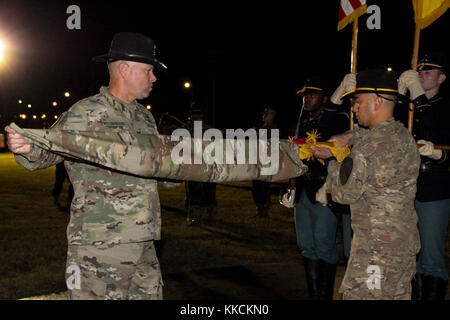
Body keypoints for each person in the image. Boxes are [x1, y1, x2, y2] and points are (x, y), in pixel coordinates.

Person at [5, 32, 309, 300]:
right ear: (124, 68)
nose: (154, 78)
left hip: (144, 240)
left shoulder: (143, 117)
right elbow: (45, 155)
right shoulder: (85, 113)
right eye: (149, 70)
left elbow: (158, 172)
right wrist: (26, 147)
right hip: (100, 246)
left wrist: (177, 171)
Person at [313, 69, 421, 300]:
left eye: (358, 101)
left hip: (376, 252)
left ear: (377, 102)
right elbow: (372, 139)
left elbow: (343, 193)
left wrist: (334, 159)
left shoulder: (368, 150)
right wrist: (350, 137)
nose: (353, 108)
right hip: (401, 246)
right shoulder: (402, 135)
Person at [281, 76, 350, 300]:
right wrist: (290, 186)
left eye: (312, 94)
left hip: (324, 188)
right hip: (303, 188)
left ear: (325, 98)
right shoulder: (303, 121)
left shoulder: (338, 120)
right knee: (306, 245)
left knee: (323, 243)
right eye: (304, 95)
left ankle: (324, 296)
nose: (306, 98)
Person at [403, 51, 449, 300]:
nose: (420, 75)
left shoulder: (443, 106)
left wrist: (417, 94)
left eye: (427, 72)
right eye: (419, 72)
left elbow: (433, 123)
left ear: (441, 78)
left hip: (435, 187)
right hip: (409, 187)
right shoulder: (411, 109)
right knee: (412, 255)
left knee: (431, 257)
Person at [184, 103, 218, 225]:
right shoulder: (188, 128)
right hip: (198, 164)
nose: (196, 116)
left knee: (199, 192)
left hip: (202, 164)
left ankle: (203, 215)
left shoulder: (189, 128)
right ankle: (201, 215)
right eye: (194, 113)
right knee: (196, 192)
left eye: (197, 113)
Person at [252, 105, 278, 218]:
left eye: (266, 114)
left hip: (265, 161)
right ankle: (259, 208)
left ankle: (264, 209)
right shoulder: (262, 127)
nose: (263, 116)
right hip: (258, 160)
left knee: (263, 186)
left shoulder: (272, 128)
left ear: (271, 115)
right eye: (264, 114)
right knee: (257, 185)